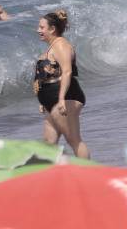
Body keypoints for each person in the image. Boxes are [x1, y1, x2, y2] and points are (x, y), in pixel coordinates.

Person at [34, 10, 89, 158]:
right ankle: (55, 177)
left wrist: (60, 99)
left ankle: (88, 174)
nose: (38, 30)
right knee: (48, 143)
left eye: (41, 27)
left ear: (52, 29)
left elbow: (67, 72)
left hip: (67, 98)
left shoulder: (61, 45)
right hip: (53, 102)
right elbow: (49, 75)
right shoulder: (52, 47)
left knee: (74, 140)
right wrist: (43, 100)